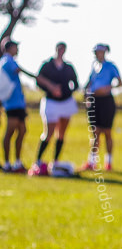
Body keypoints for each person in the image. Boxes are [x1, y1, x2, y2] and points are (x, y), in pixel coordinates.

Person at [29, 42, 79, 177]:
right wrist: (51, 89)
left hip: (66, 102)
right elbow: (39, 81)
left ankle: (55, 162)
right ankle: (38, 161)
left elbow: (75, 83)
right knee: (49, 132)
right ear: (56, 49)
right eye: (59, 48)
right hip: (51, 101)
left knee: (61, 133)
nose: (61, 51)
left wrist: (65, 91)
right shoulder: (47, 65)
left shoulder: (68, 67)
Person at [82, 43, 122, 171]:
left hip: (106, 102)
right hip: (94, 102)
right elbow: (89, 82)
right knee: (95, 132)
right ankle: (92, 161)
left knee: (107, 132)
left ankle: (108, 162)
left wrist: (107, 88)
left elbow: (119, 82)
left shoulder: (111, 66)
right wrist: (86, 93)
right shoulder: (94, 66)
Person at [1, 38, 31, 173]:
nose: (17, 49)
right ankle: (7, 163)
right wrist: (38, 78)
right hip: (12, 104)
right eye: (15, 47)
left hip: (18, 103)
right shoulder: (7, 61)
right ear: (9, 48)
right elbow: (18, 71)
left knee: (22, 131)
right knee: (10, 132)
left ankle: (17, 162)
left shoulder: (7, 61)